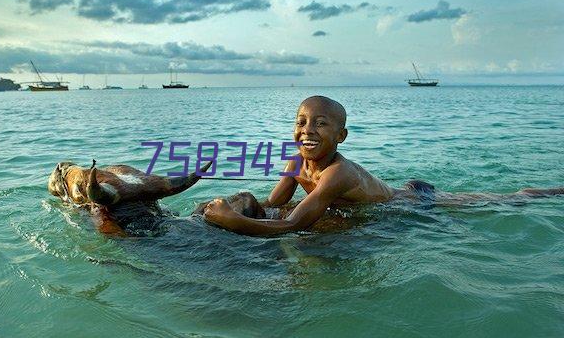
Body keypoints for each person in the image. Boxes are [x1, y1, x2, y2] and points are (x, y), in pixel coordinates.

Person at [198, 96, 563, 236]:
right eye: (301, 122)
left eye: (320, 123)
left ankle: (545, 191)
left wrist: (234, 220)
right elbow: (275, 207)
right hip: (392, 197)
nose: (307, 131)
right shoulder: (296, 161)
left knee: (500, 201)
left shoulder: (338, 173)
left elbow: (294, 223)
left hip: (412, 203)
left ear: (341, 136)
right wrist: (235, 207)